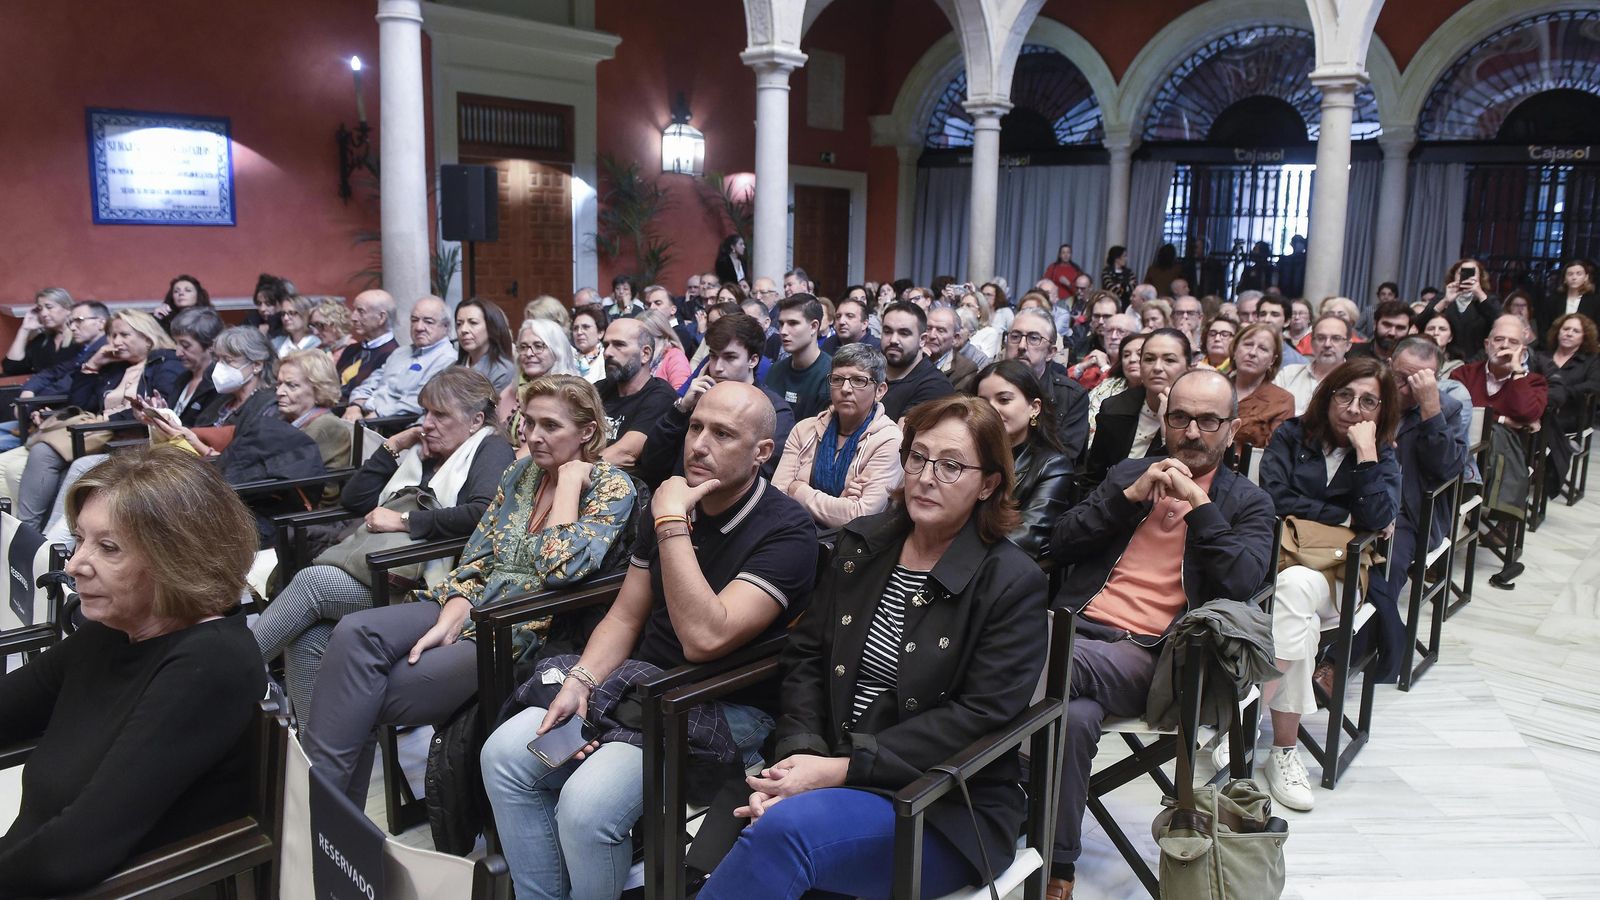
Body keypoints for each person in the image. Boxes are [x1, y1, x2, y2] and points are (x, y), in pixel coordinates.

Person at [695, 394, 1044, 900]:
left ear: (988, 484)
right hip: (828, 765)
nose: (925, 476)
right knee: (717, 844)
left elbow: (981, 716)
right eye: (918, 457)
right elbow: (807, 659)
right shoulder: (864, 544)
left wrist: (836, 773)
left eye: (950, 466)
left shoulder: (1012, 582)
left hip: (939, 801)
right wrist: (800, 760)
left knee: (782, 834)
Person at [480, 381, 819, 900]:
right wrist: (582, 680)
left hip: (720, 706)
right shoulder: (670, 498)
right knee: (504, 756)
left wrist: (670, 523)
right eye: (696, 427)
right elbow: (624, 616)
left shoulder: (786, 530)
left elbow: (706, 638)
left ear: (762, 453)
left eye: (723, 434)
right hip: (636, 691)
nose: (699, 444)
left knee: (586, 806)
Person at [305, 374, 635, 809]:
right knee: (353, 632)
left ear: (588, 431)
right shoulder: (521, 473)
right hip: (475, 602)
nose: (534, 437)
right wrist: (453, 611)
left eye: (550, 426)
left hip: (521, 627)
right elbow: (479, 554)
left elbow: (560, 570)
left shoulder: (612, 487)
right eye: (529, 423)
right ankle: (330, 815)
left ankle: (320, 812)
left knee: (356, 700)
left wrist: (570, 484)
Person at [0, 447, 266, 896]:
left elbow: (72, 854)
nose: (74, 565)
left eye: (108, 548)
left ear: (178, 560)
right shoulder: (113, 629)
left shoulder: (211, 666)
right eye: (80, 539)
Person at [1049, 369, 1276, 895]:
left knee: (1030, 656)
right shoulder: (1129, 472)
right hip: (1075, 629)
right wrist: (1125, 498)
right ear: (1165, 420)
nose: (1191, 431)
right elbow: (1060, 543)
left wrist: (1201, 509)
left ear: (1232, 427)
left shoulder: (1247, 502)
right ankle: (1058, 867)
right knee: (1074, 717)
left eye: (1207, 420)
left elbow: (1244, 580)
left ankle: (990, 781)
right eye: (1180, 417)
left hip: (1156, 656)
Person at [254, 367, 518, 720]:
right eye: (424, 412)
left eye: (440, 415)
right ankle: (314, 753)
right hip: (384, 571)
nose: (428, 423)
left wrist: (406, 520)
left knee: (312, 584)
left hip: (433, 588)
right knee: (308, 639)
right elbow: (355, 498)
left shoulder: (491, 447)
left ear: (476, 420)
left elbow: (482, 514)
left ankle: (227, 678)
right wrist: (396, 444)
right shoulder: (427, 452)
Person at [1260, 358, 1401, 811]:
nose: (1354, 409)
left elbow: (1378, 518)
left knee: (1296, 590)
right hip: (1283, 564)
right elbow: (1272, 497)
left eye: (1368, 401)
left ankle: (1241, 720)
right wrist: (1343, 517)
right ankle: (1282, 749)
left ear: (1381, 410)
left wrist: (1366, 457)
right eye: (1345, 395)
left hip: (1344, 574)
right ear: (1329, 393)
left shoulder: (1383, 454)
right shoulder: (1291, 434)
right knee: (1295, 596)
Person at [3, 310, 187, 531]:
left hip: (127, 438)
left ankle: (39, 536)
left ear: (146, 336)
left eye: (124, 335)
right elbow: (80, 403)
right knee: (23, 462)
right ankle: (27, 531)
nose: (116, 342)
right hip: (98, 432)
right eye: (112, 336)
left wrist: (109, 418)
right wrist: (93, 365)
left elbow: (158, 408)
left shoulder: (166, 363)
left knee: (48, 454)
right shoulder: (116, 365)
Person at [1372, 338, 1468, 681]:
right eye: (1398, 376)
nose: (1403, 388)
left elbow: (1447, 470)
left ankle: (1348, 658)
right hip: (1360, 500)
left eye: (1415, 381)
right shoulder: (1371, 395)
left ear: (1433, 378)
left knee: (1385, 567)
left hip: (1411, 514)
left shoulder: (1447, 409)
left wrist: (1430, 410)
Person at [636, 313, 794, 487]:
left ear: (753, 360)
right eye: (713, 356)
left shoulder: (774, 410)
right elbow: (652, 463)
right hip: (679, 497)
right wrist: (681, 409)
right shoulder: (698, 399)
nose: (718, 367)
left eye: (730, 357)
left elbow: (761, 476)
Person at [771, 344, 903, 532]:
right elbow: (776, 497)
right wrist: (839, 504)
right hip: (791, 531)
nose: (846, 389)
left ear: (880, 391)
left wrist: (798, 489)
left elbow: (860, 517)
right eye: (837, 379)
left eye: (858, 380)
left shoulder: (889, 440)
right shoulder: (804, 429)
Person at [977, 359, 1071, 565]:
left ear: (1034, 408)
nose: (991, 409)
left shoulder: (1052, 466)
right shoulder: (966, 453)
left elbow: (1025, 539)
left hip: (995, 569)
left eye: (1004, 400)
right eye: (983, 402)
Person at [1085, 328, 1190, 481]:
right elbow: (1093, 478)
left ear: (1188, 367)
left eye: (1169, 360)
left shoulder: (1200, 417)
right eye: (1149, 359)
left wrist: (1168, 430)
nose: (1157, 367)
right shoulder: (1114, 407)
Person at [345, 296, 457, 419]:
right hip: (365, 415)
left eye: (428, 322)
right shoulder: (400, 352)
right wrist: (355, 406)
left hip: (390, 425)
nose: (419, 327)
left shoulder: (448, 360)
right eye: (414, 320)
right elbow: (370, 383)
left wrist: (377, 415)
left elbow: (419, 401)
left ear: (446, 326)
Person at [1003, 307, 1091, 463]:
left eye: (1034, 338)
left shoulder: (1071, 396)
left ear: (1051, 352)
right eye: (1015, 336)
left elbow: (1064, 459)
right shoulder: (986, 385)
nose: (1022, 345)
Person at [597, 317, 680, 467]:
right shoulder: (598, 389)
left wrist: (576, 469)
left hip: (628, 485)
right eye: (605, 345)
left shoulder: (661, 397)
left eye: (619, 345)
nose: (607, 353)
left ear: (645, 354)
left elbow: (625, 454)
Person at [1450, 314, 1549, 428]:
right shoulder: (1463, 374)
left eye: (1513, 342)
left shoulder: (1534, 382)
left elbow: (1526, 415)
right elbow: (1453, 413)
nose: (1505, 345)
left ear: (1522, 352)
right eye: (1498, 339)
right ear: (1487, 346)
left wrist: (1517, 370)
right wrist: (1501, 419)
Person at [500, 318, 580, 449]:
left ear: (556, 350)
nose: (529, 353)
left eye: (538, 346)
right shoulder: (511, 390)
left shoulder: (569, 393)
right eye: (523, 347)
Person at [879, 301, 954, 420]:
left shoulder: (935, 386)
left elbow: (902, 438)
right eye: (887, 331)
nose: (893, 340)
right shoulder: (870, 372)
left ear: (922, 340)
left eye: (904, 333)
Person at [1415, 259, 1502, 361]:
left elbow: (1500, 323)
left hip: (1478, 358)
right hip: (1445, 358)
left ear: (1479, 278)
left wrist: (1479, 294)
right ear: (1454, 276)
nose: (1466, 276)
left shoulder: (1488, 299)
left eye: (1472, 273)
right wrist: (1445, 301)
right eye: (1461, 273)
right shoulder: (1442, 298)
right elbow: (1420, 323)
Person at [765, 294, 833, 421]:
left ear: (813, 327)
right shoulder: (775, 370)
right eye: (781, 324)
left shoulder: (832, 374)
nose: (783, 331)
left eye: (793, 323)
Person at [1229, 323, 1296, 451]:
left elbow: (1275, 452)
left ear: (1272, 360)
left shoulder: (1282, 401)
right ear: (1235, 349)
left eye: (1263, 349)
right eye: (1248, 344)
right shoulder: (1214, 387)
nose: (1253, 353)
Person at [1276, 314, 1353, 415]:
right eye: (1321, 338)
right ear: (1312, 343)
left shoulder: (1355, 381)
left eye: (1336, 338)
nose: (1327, 344)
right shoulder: (1287, 374)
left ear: (1348, 345)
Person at [1538, 313, 1600, 435]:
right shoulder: (1541, 357)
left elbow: (1594, 385)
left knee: (1547, 423)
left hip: (1571, 413)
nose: (1569, 333)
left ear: (1584, 337)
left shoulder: (1591, 360)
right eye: (1565, 329)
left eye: (1576, 331)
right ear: (1558, 332)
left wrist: (1563, 392)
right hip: (1539, 408)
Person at [333, 290, 400, 401]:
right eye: (354, 310)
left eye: (361, 311)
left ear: (381, 318)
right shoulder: (351, 349)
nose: (353, 318)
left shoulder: (393, 356)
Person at [1086, 333, 1146, 444]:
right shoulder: (1108, 384)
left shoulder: (1154, 395)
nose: (1132, 359)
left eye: (1140, 354)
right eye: (1126, 355)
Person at [4, 287, 78, 376]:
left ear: (68, 309)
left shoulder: (80, 337)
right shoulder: (42, 340)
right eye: (40, 309)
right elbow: (11, 368)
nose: (43, 314)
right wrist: (24, 329)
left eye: (49, 307)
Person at [455, 297, 517, 393]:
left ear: (491, 326)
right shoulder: (453, 367)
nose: (464, 330)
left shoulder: (502, 371)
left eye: (473, 323)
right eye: (459, 324)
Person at [924, 305, 979, 393]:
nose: (932, 335)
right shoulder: (911, 358)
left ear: (955, 338)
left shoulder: (965, 369)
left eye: (940, 330)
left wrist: (925, 366)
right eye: (928, 328)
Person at [1540, 259, 1600, 334]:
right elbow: (1544, 327)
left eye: (1579, 274)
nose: (1574, 278)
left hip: (1586, 344)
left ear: (1586, 277)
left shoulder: (1595, 301)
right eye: (1570, 274)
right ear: (1565, 278)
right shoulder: (1553, 300)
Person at [638, 308, 693, 390]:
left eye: (648, 337)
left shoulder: (675, 357)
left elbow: (681, 393)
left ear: (664, 336)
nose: (642, 342)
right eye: (638, 338)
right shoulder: (639, 358)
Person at [1255, 295, 1309, 365]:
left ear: (1286, 322)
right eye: (1263, 314)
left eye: (1274, 315)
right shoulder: (1247, 351)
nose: (1267, 319)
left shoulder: (1298, 362)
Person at [572, 305, 608, 383]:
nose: (579, 332)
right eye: (575, 328)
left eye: (586, 327)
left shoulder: (607, 358)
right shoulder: (569, 358)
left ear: (600, 333)